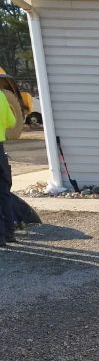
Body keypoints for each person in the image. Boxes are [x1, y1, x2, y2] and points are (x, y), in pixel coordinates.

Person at [0, 89, 18, 246]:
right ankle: (9, 232)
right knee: (4, 193)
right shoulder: (1, 96)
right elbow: (12, 122)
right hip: (0, 151)